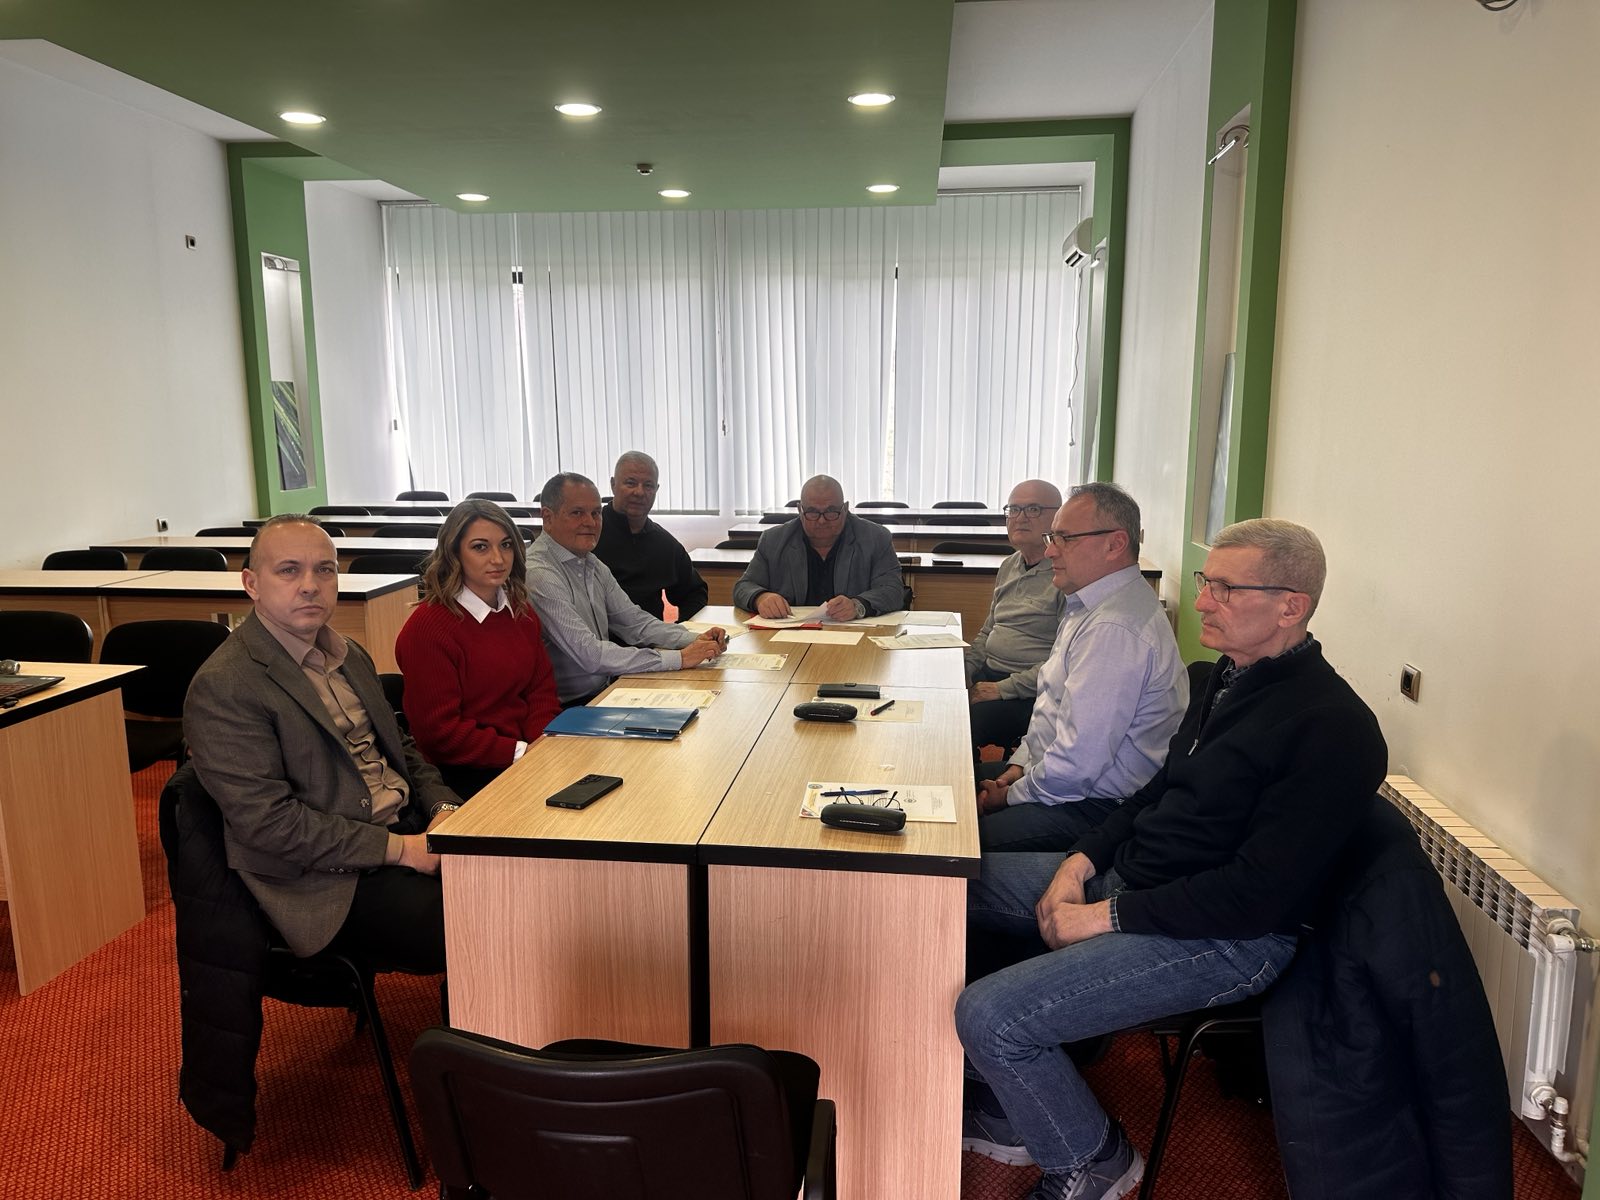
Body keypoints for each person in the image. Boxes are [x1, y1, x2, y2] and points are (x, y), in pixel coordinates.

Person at [956, 518, 1388, 1200]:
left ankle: (1092, 1160)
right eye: (1207, 581)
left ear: (1291, 607)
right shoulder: (1224, 679)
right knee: (950, 886)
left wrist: (1102, 916)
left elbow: (1254, 898)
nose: (1203, 600)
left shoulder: (1332, 727)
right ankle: (1009, 1100)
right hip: (1138, 881)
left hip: (1225, 938)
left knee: (990, 1016)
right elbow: (1154, 792)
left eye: (1226, 588)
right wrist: (1078, 863)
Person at [184, 515, 459, 973]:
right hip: (328, 878)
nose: (310, 585)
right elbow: (271, 825)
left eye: (325, 569)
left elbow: (402, 748)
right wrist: (404, 850)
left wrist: (443, 808)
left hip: (404, 826)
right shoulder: (226, 685)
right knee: (483, 916)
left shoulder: (349, 654)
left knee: (529, 874)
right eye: (289, 570)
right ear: (252, 584)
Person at [976, 483, 1185, 853]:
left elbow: (1077, 766)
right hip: (1059, 780)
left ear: (1115, 544)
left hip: (1093, 806)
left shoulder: (1114, 629)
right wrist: (1018, 766)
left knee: (954, 848)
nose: (1050, 550)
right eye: (1052, 537)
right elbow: (1050, 709)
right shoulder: (1090, 603)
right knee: (949, 782)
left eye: (1064, 538)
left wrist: (1008, 796)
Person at [394, 499, 561, 799]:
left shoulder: (521, 613)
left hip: (524, 757)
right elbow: (440, 735)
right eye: (480, 547)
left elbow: (541, 693)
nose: (498, 558)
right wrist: (520, 753)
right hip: (463, 776)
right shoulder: (428, 627)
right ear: (454, 553)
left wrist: (542, 748)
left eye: (506, 545)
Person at [528, 472, 728, 705]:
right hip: (567, 707)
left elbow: (634, 622)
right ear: (547, 517)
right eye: (577, 513)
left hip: (605, 690)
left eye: (596, 513)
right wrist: (680, 658)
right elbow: (590, 654)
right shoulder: (540, 573)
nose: (590, 523)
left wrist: (694, 639)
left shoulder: (590, 563)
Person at [966, 479, 1067, 755]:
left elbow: (1062, 663)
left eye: (1033, 509)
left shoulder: (1065, 574)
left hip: (1030, 691)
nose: (1020, 518)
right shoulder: (1009, 564)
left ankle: (975, 781)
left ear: (1057, 518)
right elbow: (989, 630)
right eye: (1013, 509)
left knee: (961, 723)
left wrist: (1001, 689)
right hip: (991, 672)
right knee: (938, 702)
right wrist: (966, 670)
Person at [731, 474, 904, 619]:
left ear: (845, 509)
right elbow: (744, 586)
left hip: (850, 632)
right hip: (792, 634)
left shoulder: (875, 538)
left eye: (831, 512)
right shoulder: (773, 540)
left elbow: (893, 590)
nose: (822, 521)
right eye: (813, 512)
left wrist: (858, 605)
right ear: (800, 510)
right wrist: (760, 597)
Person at [592, 450, 709, 621]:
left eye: (648, 485)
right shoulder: (589, 533)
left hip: (650, 636)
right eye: (631, 483)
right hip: (593, 636)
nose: (639, 492)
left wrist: (681, 630)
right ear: (613, 484)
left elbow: (695, 593)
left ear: (656, 489)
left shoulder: (664, 544)